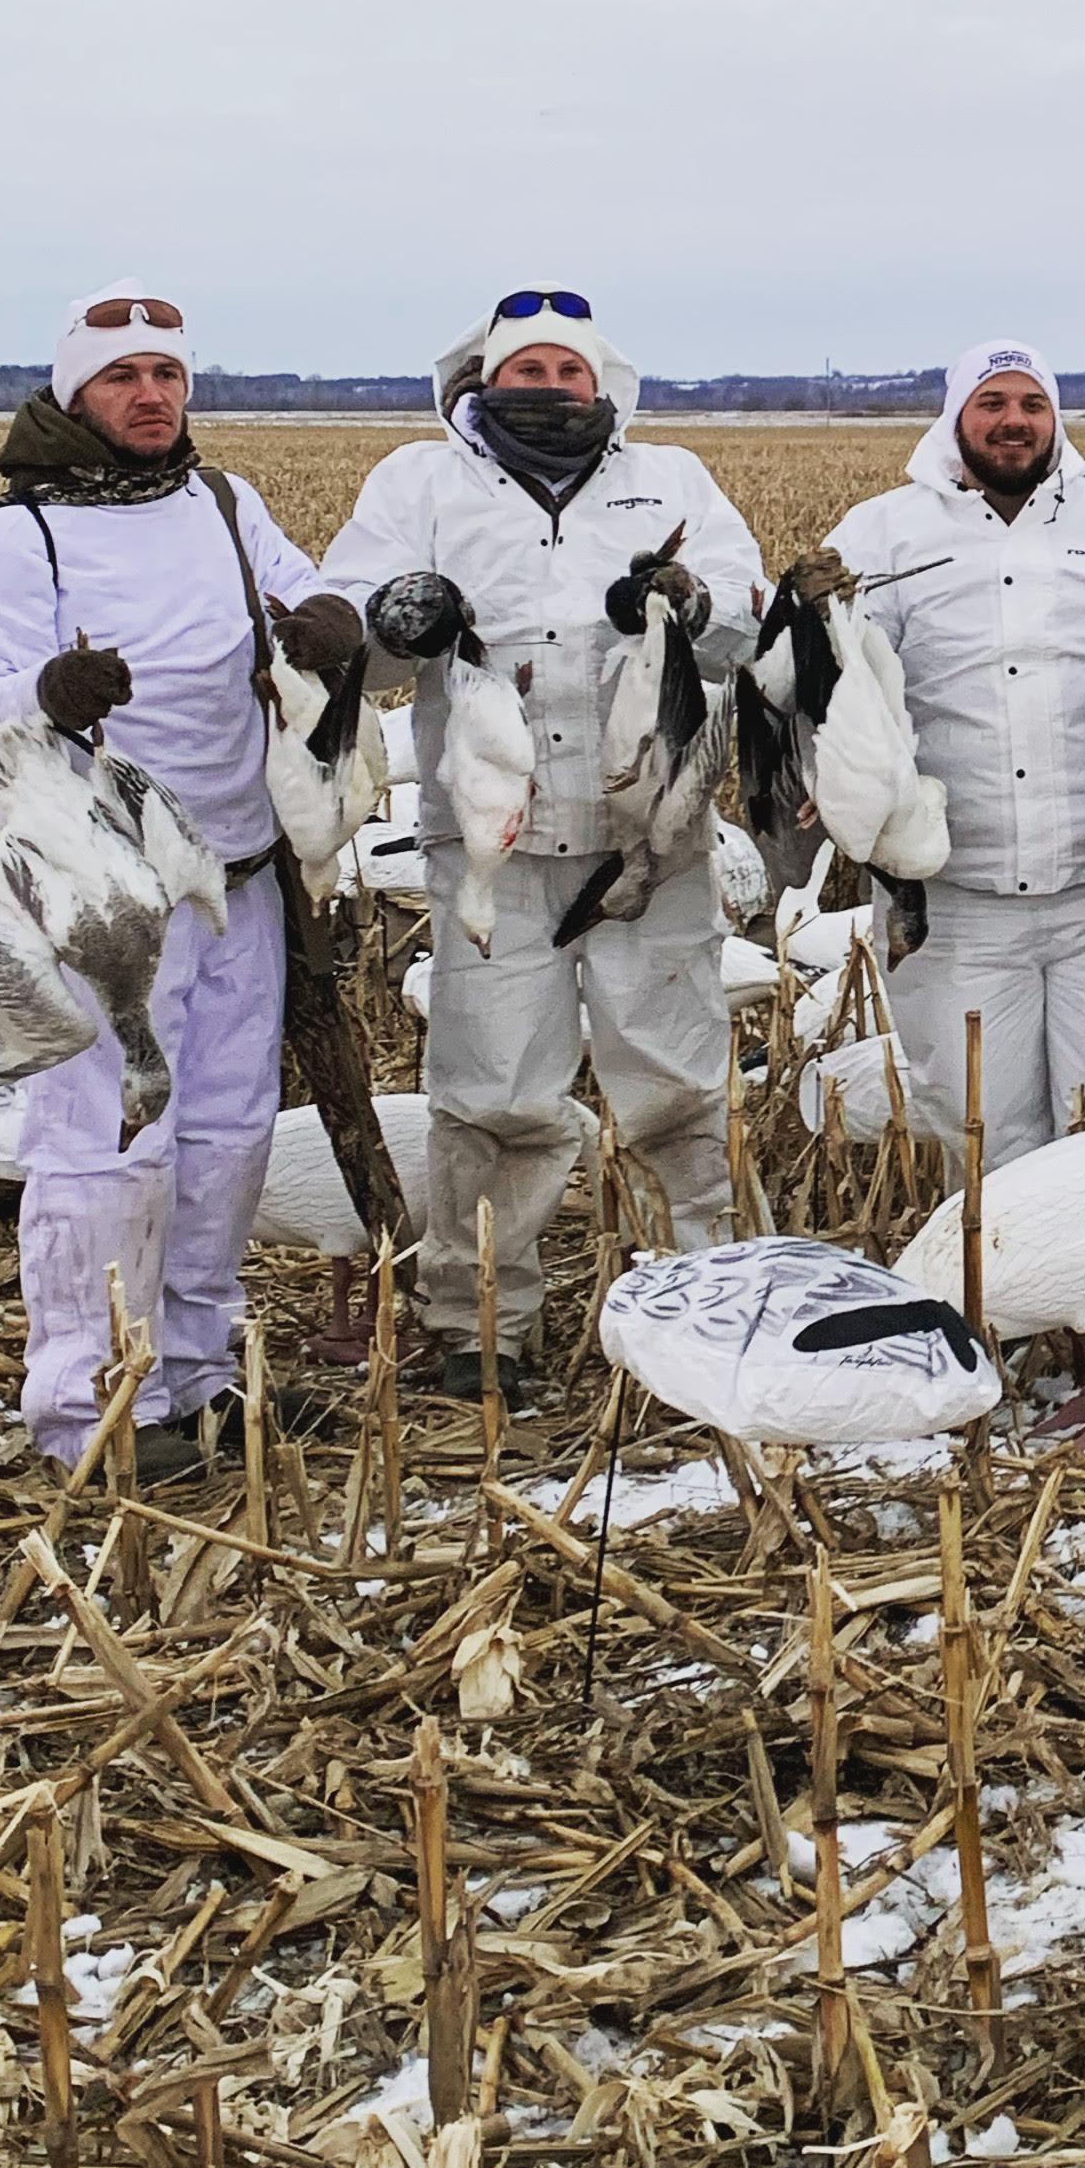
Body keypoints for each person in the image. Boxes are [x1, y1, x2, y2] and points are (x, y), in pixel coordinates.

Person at [0, 281, 362, 1480]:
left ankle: (197, 1378)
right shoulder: (16, 538)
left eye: (168, 375)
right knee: (104, 1148)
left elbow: (312, 586)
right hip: (98, 894)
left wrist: (334, 622)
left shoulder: (225, 507)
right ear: (75, 391)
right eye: (123, 377)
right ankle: (92, 1410)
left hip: (236, 874)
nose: (151, 395)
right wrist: (46, 698)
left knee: (226, 1135)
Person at [316, 294, 765, 1402]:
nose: (550, 388)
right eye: (529, 371)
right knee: (494, 1089)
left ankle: (705, 1306)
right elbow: (344, 641)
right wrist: (392, 621)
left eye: (570, 372)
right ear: (483, 381)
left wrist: (689, 602)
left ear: (603, 386)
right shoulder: (417, 486)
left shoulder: (672, 482)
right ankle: (479, 1325)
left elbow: (749, 628)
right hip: (490, 849)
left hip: (651, 838)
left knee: (674, 1083)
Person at [823, 341, 1085, 1164]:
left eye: (1032, 405)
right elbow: (842, 695)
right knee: (982, 1133)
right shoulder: (879, 537)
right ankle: (995, 1295)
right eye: (992, 404)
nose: (1013, 422)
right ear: (955, 417)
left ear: (1056, 419)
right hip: (953, 904)